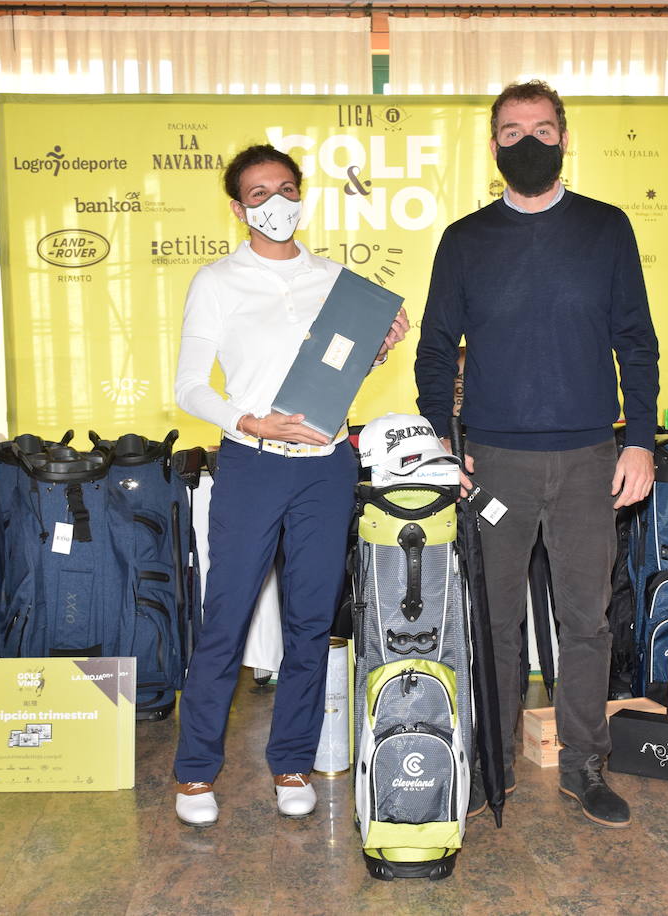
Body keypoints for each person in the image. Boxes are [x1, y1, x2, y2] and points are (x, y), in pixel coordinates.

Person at [414, 81, 658, 828]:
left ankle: (585, 767)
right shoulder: (464, 240)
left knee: (586, 623)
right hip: (492, 464)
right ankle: (489, 762)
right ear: (493, 147)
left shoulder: (606, 229)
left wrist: (641, 440)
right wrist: (443, 447)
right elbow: (431, 353)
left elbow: (636, 344)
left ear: (564, 139)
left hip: (590, 460)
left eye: (542, 129)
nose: (528, 141)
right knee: (493, 624)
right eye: (512, 131)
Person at [172, 144, 409, 828]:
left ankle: (292, 763)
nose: (272, 204)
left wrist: (378, 348)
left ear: (301, 195)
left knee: (311, 622)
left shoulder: (337, 281)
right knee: (227, 618)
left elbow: (333, 381)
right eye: (256, 193)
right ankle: (194, 773)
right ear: (237, 206)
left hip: (327, 468)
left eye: (283, 189)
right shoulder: (217, 281)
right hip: (252, 463)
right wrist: (250, 418)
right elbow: (188, 387)